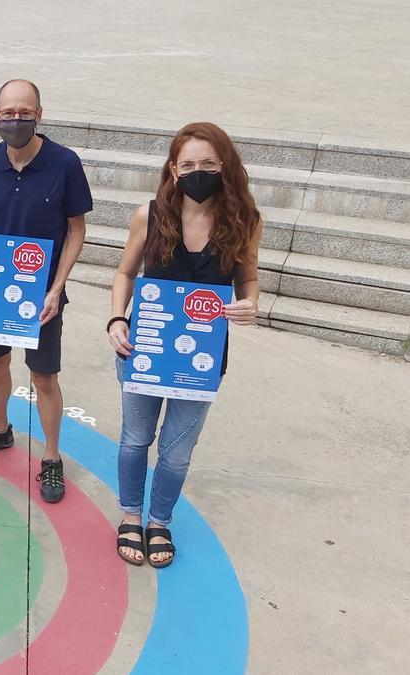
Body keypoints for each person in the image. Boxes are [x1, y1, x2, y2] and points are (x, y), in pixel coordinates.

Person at [107, 122, 262, 568]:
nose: (198, 171)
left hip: (202, 357)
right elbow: (124, 273)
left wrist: (249, 304)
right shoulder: (149, 214)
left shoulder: (245, 221)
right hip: (144, 348)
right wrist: (117, 318)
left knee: (176, 451)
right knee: (135, 439)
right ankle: (130, 515)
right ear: (174, 170)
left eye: (209, 164)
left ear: (225, 167)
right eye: (188, 164)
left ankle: (160, 521)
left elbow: (247, 279)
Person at [0, 80, 93, 503]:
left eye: (24, 112)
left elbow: (76, 230)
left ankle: (51, 457)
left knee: (43, 376)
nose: (16, 120)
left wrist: (57, 288)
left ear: (39, 113)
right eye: (8, 112)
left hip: (42, 292)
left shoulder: (64, 163)